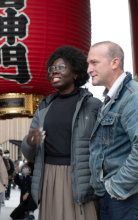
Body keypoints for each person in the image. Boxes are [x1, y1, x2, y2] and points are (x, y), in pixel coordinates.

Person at [21, 45, 102, 220]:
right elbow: (30, 153)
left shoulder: (92, 105)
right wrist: (29, 141)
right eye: (52, 68)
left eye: (61, 67)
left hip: (80, 176)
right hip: (49, 175)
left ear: (76, 73)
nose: (54, 72)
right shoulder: (43, 107)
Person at [87, 41, 138, 220]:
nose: (89, 69)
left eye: (94, 63)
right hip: (116, 197)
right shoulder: (111, 99)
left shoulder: (135, 97)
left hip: (130, 197)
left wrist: (116, 188)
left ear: (115, 62)